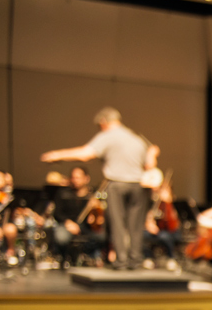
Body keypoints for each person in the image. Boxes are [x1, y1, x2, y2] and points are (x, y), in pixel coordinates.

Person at [41, 107, 151, 269]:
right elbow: (149, 165)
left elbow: (86, 154)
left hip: (117, 183)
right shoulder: (136, 139)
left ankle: (121, 261)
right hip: (139, 186)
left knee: (118, 223)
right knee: (135, 225)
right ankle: (135, 260)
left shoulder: (108, 136)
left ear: (103, 122)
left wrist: (57, 155)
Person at [48, 166, 106, 266]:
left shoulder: (92, 195)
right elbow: (57, 213)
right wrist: (68, 222)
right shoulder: (63, 193)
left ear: (86, 179)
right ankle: (66, 257)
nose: (75, 180)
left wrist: (95, 209)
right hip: (67, 225)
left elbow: (98, 218)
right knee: (61, 237)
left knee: (102, 237)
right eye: (73, 177)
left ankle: (85, 255)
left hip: (85, 226)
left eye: (78, 177)